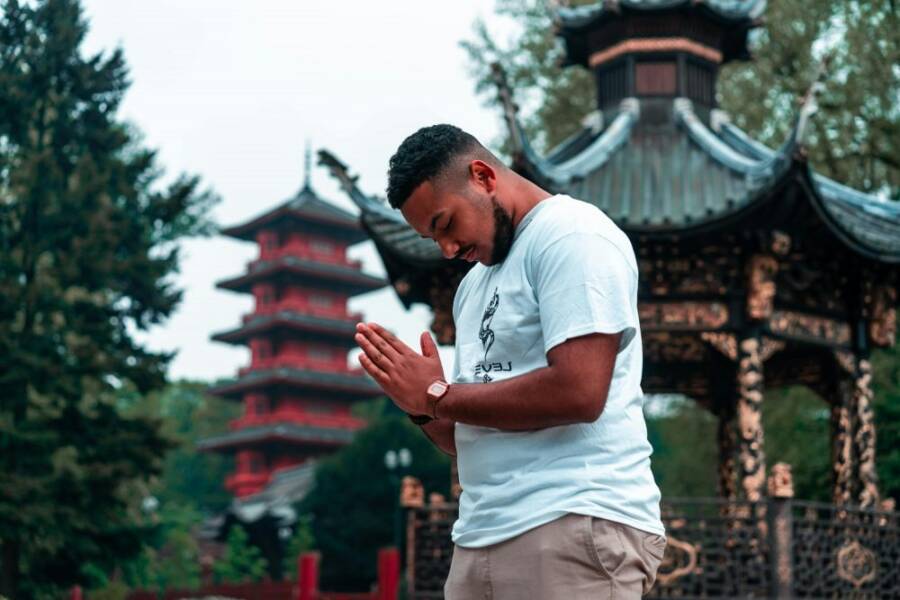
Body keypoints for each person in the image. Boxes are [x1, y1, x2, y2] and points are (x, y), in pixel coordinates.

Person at [354, 124, 665, 599]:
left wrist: (439, 395)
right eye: (432, 239)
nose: (448, 250)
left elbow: (580, 391)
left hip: (572, 520)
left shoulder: (571, 236)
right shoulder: (472, 287)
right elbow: (467, 434)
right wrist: (419, 404)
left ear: (482, 176)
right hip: (480, 534)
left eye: (445, 224)